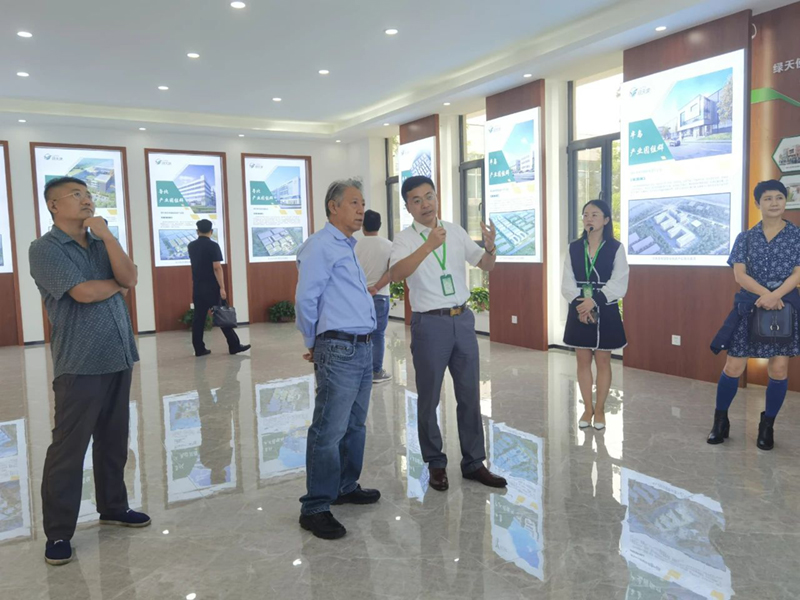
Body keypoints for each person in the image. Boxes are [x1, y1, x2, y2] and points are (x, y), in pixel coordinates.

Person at [29, 176, 151, 566]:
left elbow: (131, 278)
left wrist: (109, 238)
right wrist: (116, 284)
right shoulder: (44, 249)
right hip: (79, 362)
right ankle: (58, 532)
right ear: (54, 205)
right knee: (69, 448)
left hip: (118, 354)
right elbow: (82, 293)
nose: (87, 200)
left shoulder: (101, 242)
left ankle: (113, 506)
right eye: (77, 195)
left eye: (88, 194)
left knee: (114, 439)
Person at [389, 175, 507, 492]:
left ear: (437, 197)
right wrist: (428, 245)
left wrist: (490, 247)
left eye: (429, 196)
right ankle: (435, 463)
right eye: (417, 200)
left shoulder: (454, 231)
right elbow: (396, 273)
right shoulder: (404, 239)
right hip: (430, 324)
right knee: (429, 398)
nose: (425, 204)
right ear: (408, 207)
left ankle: (473, 462)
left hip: (462, 320)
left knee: (469, 395)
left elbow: (486, 265)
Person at [295, 178, 380, 540]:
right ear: (333, 207)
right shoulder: (320, 246)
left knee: (355, 425)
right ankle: (315, 506)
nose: (361, 210)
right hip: (339, 348)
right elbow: (306, 299)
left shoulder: (346, 246)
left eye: (362, 203)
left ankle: (345, 486)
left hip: (362, 347)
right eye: (354, 203)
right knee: (328, 430)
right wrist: (313, 341)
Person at [709, 180, 800, 450]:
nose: (774, 203)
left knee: (779, 369)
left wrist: (775, 296)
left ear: (785, 201)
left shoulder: (796, 235)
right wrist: (765, 295)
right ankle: (720, 420)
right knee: (733, 367)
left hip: (784, 308)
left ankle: (767, 424)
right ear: (758, 203)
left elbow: (797, 274)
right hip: (750, 305)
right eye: (768, 198)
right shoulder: (745, 237)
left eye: (779, 197)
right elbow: (739, 274)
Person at [561, 199, 629, 430]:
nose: (589, 219)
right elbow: (567, 280)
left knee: (603, 361)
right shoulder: (573, 247)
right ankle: (587, 408)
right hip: (579, 307)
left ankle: (599, 409)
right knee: (582, 360)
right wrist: (580, 304)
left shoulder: (615, 248)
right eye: (585, 215)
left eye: (595, 214)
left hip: (605, 307)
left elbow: (619, 281)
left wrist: (595, 301)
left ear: (606, 220)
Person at [187, 219, 250, 357]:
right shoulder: (213, 246)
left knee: (198, 318)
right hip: (212, 287)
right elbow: (217, 267)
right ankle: (234, 345)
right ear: (211, 231)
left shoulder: (191, 246)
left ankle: (199, 349)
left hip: (198, 286)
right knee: (222, 314)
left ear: (197, 231)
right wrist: (222, 287)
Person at [354, 209, 393, 384]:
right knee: (378, 335)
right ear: (380, 225)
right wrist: (376, 287)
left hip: (359, 296)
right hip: (380, 295)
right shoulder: (389, 245)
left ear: (363, 226)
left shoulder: (355, 246)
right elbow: (392, 271)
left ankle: (359, 371)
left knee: (358, 334)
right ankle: (376, 372)